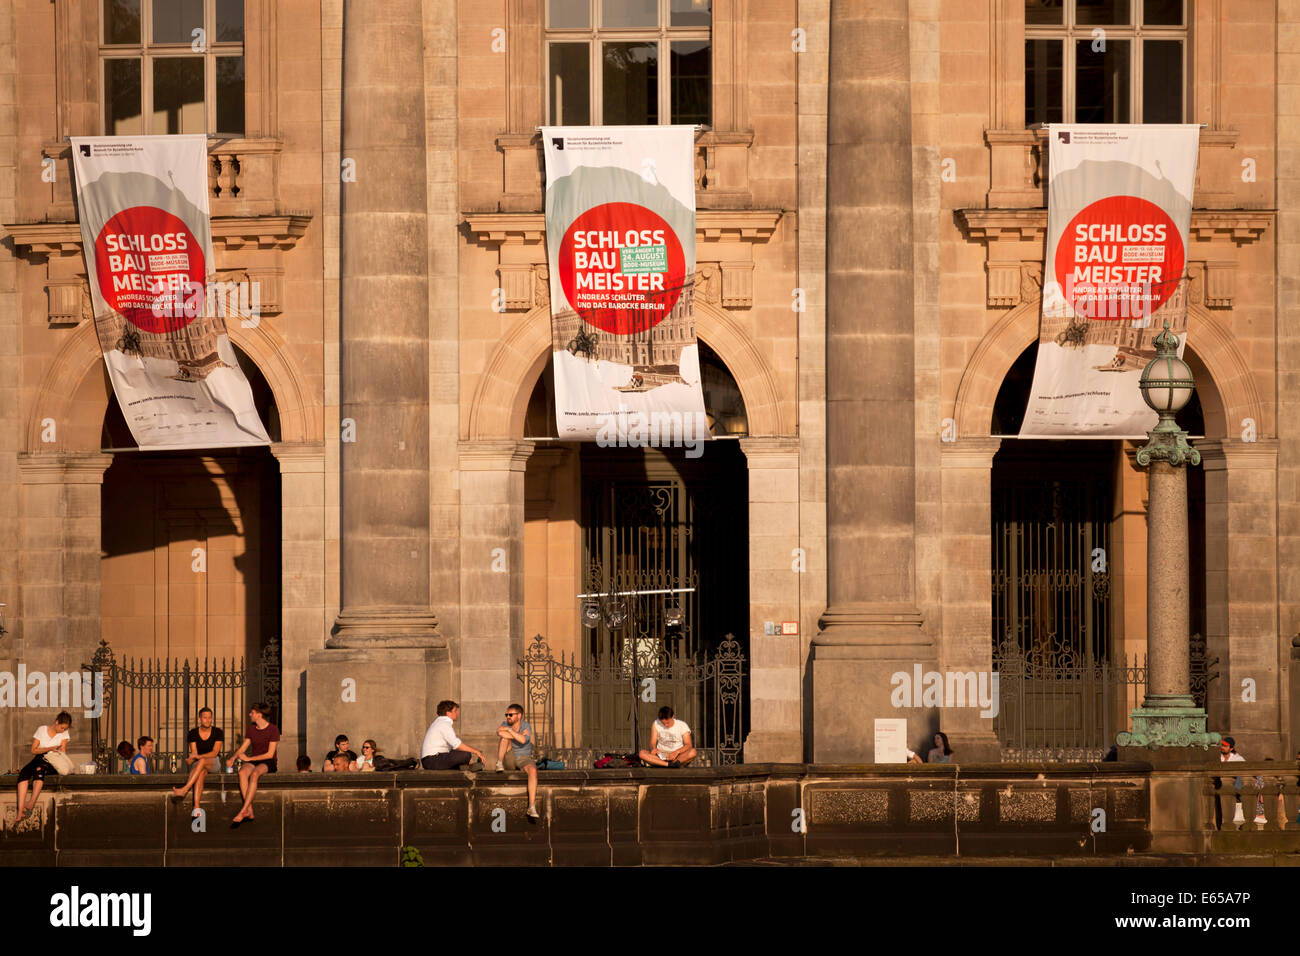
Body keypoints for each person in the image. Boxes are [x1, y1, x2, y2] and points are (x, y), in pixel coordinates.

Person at [227, 702, 279, 828]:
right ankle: (249, 809)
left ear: (259, 715)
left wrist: (249, 758)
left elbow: (270, 754)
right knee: (242, 772)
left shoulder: (273, 729)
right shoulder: (251, 728)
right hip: (253, 759)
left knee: (255, 774)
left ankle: (243, 810)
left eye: (252, 713)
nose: (250, 714)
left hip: (268, 761)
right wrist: (233, 758)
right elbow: (243, 747)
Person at [15, 712, 71, 823]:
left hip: (53, 760)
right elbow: (33, 750)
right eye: (62, 727)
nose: (62, 730)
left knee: (40, 770)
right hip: (40, 757)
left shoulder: (64, 734)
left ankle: (31, 802)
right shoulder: (42, 730)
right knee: (24, 773)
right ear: (56, 722)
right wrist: (49, 748)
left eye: (65, 729)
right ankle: (20, 810)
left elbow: (63, 751)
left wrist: (57, 750)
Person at [172, 706, 224, 812]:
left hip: (213, 763)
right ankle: (196, 806)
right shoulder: (193, 733)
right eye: (205, 718)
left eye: (210, 718)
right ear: (199, 719)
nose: (208, 720)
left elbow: (215, 752)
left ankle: (185, 789)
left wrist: (199, 757)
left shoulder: (218, 732)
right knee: (200, 774)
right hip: (199, 764)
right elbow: (194, 752)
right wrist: (191, 758)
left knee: (202, 761)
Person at [496, 704, 540, 819]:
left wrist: (510, 731)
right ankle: (499, 762)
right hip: (509, 757)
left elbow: (523, 739)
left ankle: (531, 806)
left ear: (519, 715)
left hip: (524, 758)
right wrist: (514, 734)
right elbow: (499, 732)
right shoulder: (505, 723)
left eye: (511, 714)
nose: (508, 717)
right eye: (507, 714)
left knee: (533, 771)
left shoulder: (526, 725)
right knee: (504, 738)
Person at [420, 700, 486, 771]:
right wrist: (476, 752)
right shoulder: (444, 723)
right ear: (448, 713)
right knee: (466, 755)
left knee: (461, 754)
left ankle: (464, 766)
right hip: (432, 761)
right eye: (455, 711)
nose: (457, 713)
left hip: (431, 760)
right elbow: (456, 745)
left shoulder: (439, 722)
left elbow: (451, 748)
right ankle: (464, 766)